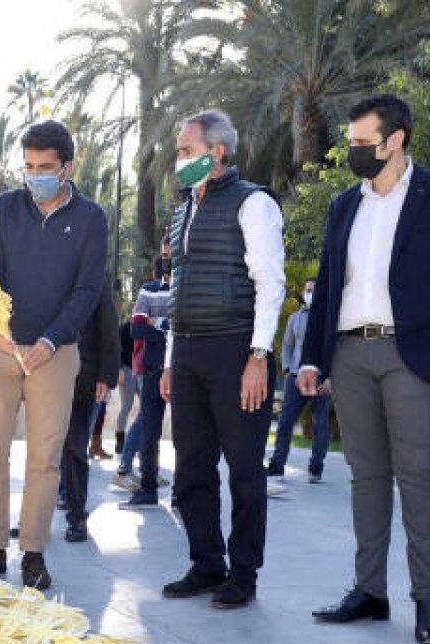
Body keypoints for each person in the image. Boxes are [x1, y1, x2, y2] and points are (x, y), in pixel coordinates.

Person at [299, 94, 430, 644]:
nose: (353, 151)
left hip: (416, 357)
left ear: (395, 139)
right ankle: (369, 591)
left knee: (421, 478)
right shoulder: (343, 205)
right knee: (366, 478)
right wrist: (312, 356)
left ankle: (428, 601)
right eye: (350, 142)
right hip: (350, 354)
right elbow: (329, 285)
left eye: (362, 143)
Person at [0, 120, 108, 591]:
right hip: (0, 349)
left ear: (67, 167)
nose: (34, 176)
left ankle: (32, 552)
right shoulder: (5, 208)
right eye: (28, 167)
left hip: (57, 353)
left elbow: (88, 289)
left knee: (45, 459)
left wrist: (51, 340)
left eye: (45, 168)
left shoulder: (90, 219)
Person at [160, 109, 286, 610]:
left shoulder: (253, 203)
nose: (179, 159)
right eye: (179, 151)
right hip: (188, 349)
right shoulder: (182, 208)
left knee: (244, 470)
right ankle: (206, 563)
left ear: (217, 152)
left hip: (236, 349)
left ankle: (244, 574)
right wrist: (171, 358)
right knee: (192, 466)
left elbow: (270, 282)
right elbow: (179, 288)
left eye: (186, 151)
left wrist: (258, 356)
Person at [59, 280, 120, 542]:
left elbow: (109, 326)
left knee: (75, 447)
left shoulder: (93, 271)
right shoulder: (44, 262)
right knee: (42, 449)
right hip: (46, 371)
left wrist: (106, 376)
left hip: (85, 376)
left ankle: (76, 517)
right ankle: (30, 520)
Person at [115, 256, 172, 503]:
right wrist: (169, 328)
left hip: (184, 368)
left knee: (187, 434)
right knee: (150, 431)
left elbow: (191, 328)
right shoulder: (148, 291)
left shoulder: (193, 288)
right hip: (152, 368)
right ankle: (148, 488)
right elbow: (136, 329)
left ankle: (183, 493)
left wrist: (156, 322)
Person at [266, 278, 332, 483]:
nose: (310, 293)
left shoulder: (329, 319)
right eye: (308, 290)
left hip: (321, 378)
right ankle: (277, 466)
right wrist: (287, 370)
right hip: (295, 377)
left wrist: (330, 377)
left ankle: (316, 468)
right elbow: (287, 345)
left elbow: (335, 349)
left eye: (314, 290)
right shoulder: (295, 318)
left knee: (320, 423)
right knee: (285, 422)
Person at [113, 318, 137, 455]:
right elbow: (116, 347)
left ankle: (137, 440)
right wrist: (119, 368)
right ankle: (120, 442)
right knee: (126, 407)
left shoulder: (145, 326)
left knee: (147, 408)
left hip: (141, 371)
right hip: (126, 370)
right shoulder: (125, 327)